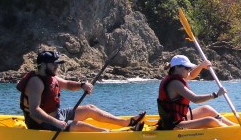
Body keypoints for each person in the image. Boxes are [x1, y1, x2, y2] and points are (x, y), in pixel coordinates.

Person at [17, 50, 147, 132]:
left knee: (90, 108)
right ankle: (113, 134)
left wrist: (82, 85)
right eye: (54, 64)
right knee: (80, 125)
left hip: (56, 114)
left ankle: (127, 122)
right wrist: (56, 123)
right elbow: (34, 111)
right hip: (41, 124)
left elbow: (67, 84)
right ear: (44, 65)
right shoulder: (35, 82)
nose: (57, 66)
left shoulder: (51, 77)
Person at [156, 55, 237, 130]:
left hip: (179, 119)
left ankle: (234, 126)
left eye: (189, 68)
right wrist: (216, 94)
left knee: (206, 109)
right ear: (176, 67)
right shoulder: (175, 83)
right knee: (209, 121)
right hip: (173, 125)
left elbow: (191, 75)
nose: (189, 70)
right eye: (187, 68)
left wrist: (201, 66)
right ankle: (232, 131)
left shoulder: (177, 76)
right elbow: (195, 99)